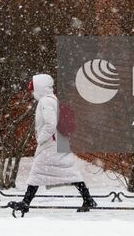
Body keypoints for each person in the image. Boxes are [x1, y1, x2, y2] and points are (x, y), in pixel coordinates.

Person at [7, 72, 98, 215]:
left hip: (51, 144)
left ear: (40, 87)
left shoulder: (45, 101)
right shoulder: (52, 99)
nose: (31, 91)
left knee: (38, 172)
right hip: (57, 141)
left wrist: (40, 139)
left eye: (33, 88)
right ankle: (88, 199)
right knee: (68, 171)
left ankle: (26, 203)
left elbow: (50, 124)